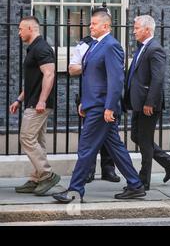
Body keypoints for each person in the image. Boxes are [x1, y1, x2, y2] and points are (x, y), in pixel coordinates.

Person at [53, 10, 145, 203]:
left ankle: (75, 191)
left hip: (102, 107)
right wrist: (84, 103)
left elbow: (116, 80)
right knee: (115, 147)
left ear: (106, 26)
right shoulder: (94, 45)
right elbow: (91, 76)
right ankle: (136, 185)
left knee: (86, 148)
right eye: (91, 23)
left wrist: (110, 107)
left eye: (94, 24)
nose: (90, 26)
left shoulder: (111, 46)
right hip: (94, 104)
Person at [124, 15, 170, 190]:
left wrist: (150, 102)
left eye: (137, 28)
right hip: (138, 102)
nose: (133, 31)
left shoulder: (155, 49)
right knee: (136, 136)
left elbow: (158, 78)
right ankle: (168, 161)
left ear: (147, 30)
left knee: (145, 140)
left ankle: (144, 180)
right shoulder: (142, 48)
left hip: (148, 104)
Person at [10, 16, 61, 196]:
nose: (19, 33)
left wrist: (42, 100)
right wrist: (19, 99)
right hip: (32, 100)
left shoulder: (42, 48)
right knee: (38, 141)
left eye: (20, 29)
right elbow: (34, 80)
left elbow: (49, 74)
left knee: (26, 137)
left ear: (30, 28)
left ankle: (47, 174)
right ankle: (36, 178)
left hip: (39, 104)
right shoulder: (33, 49)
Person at [69, 31, 120, 183]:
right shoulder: (85, 44)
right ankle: (88, 172)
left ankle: (109, 169)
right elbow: (72, 69)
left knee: (111, 139)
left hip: (107, 98)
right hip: (91, 98)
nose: (92, 27)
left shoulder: (111, 44)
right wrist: (90, 64)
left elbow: (115, 75)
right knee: (89, 140)